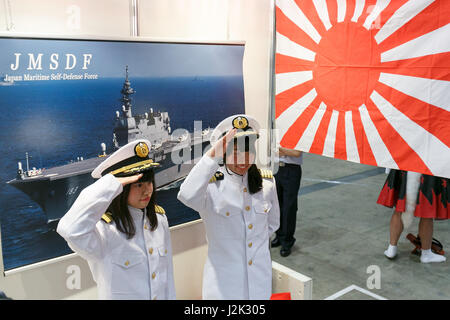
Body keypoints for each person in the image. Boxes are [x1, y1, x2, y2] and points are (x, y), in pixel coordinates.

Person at [57, 139, 176, 299]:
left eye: (149, 182)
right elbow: (70, 230)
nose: (147, 190)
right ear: (122, 188)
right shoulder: (104, 230)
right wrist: (111, 184)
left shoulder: (159, 220)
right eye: (138, 185)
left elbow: (167, 279)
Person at [177, 115, 280, 300]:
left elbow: (272, 225)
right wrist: (211, 157)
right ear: (223, 153)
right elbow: (186, 195)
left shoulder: (266, 183)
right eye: (235, 151)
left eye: (248, 150)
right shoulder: (210, 186)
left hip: (259, 282)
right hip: (224, 287)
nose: (243, 158)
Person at [377, 169, 448, 263]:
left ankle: (392, 248)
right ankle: (426, 254)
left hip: (408, 163)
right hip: (428, 165)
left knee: (400, 207)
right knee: (426, 210)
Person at [271, 147, 303, 257]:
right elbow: (272, 150)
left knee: (289, 207)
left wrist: (280, 150)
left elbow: (297, 153)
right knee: (277, 205)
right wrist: (285, 151)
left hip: (292, 170)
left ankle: (287, 241)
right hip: (278, 169)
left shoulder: (298, 134)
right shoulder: (279, 132)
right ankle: (279, 235)